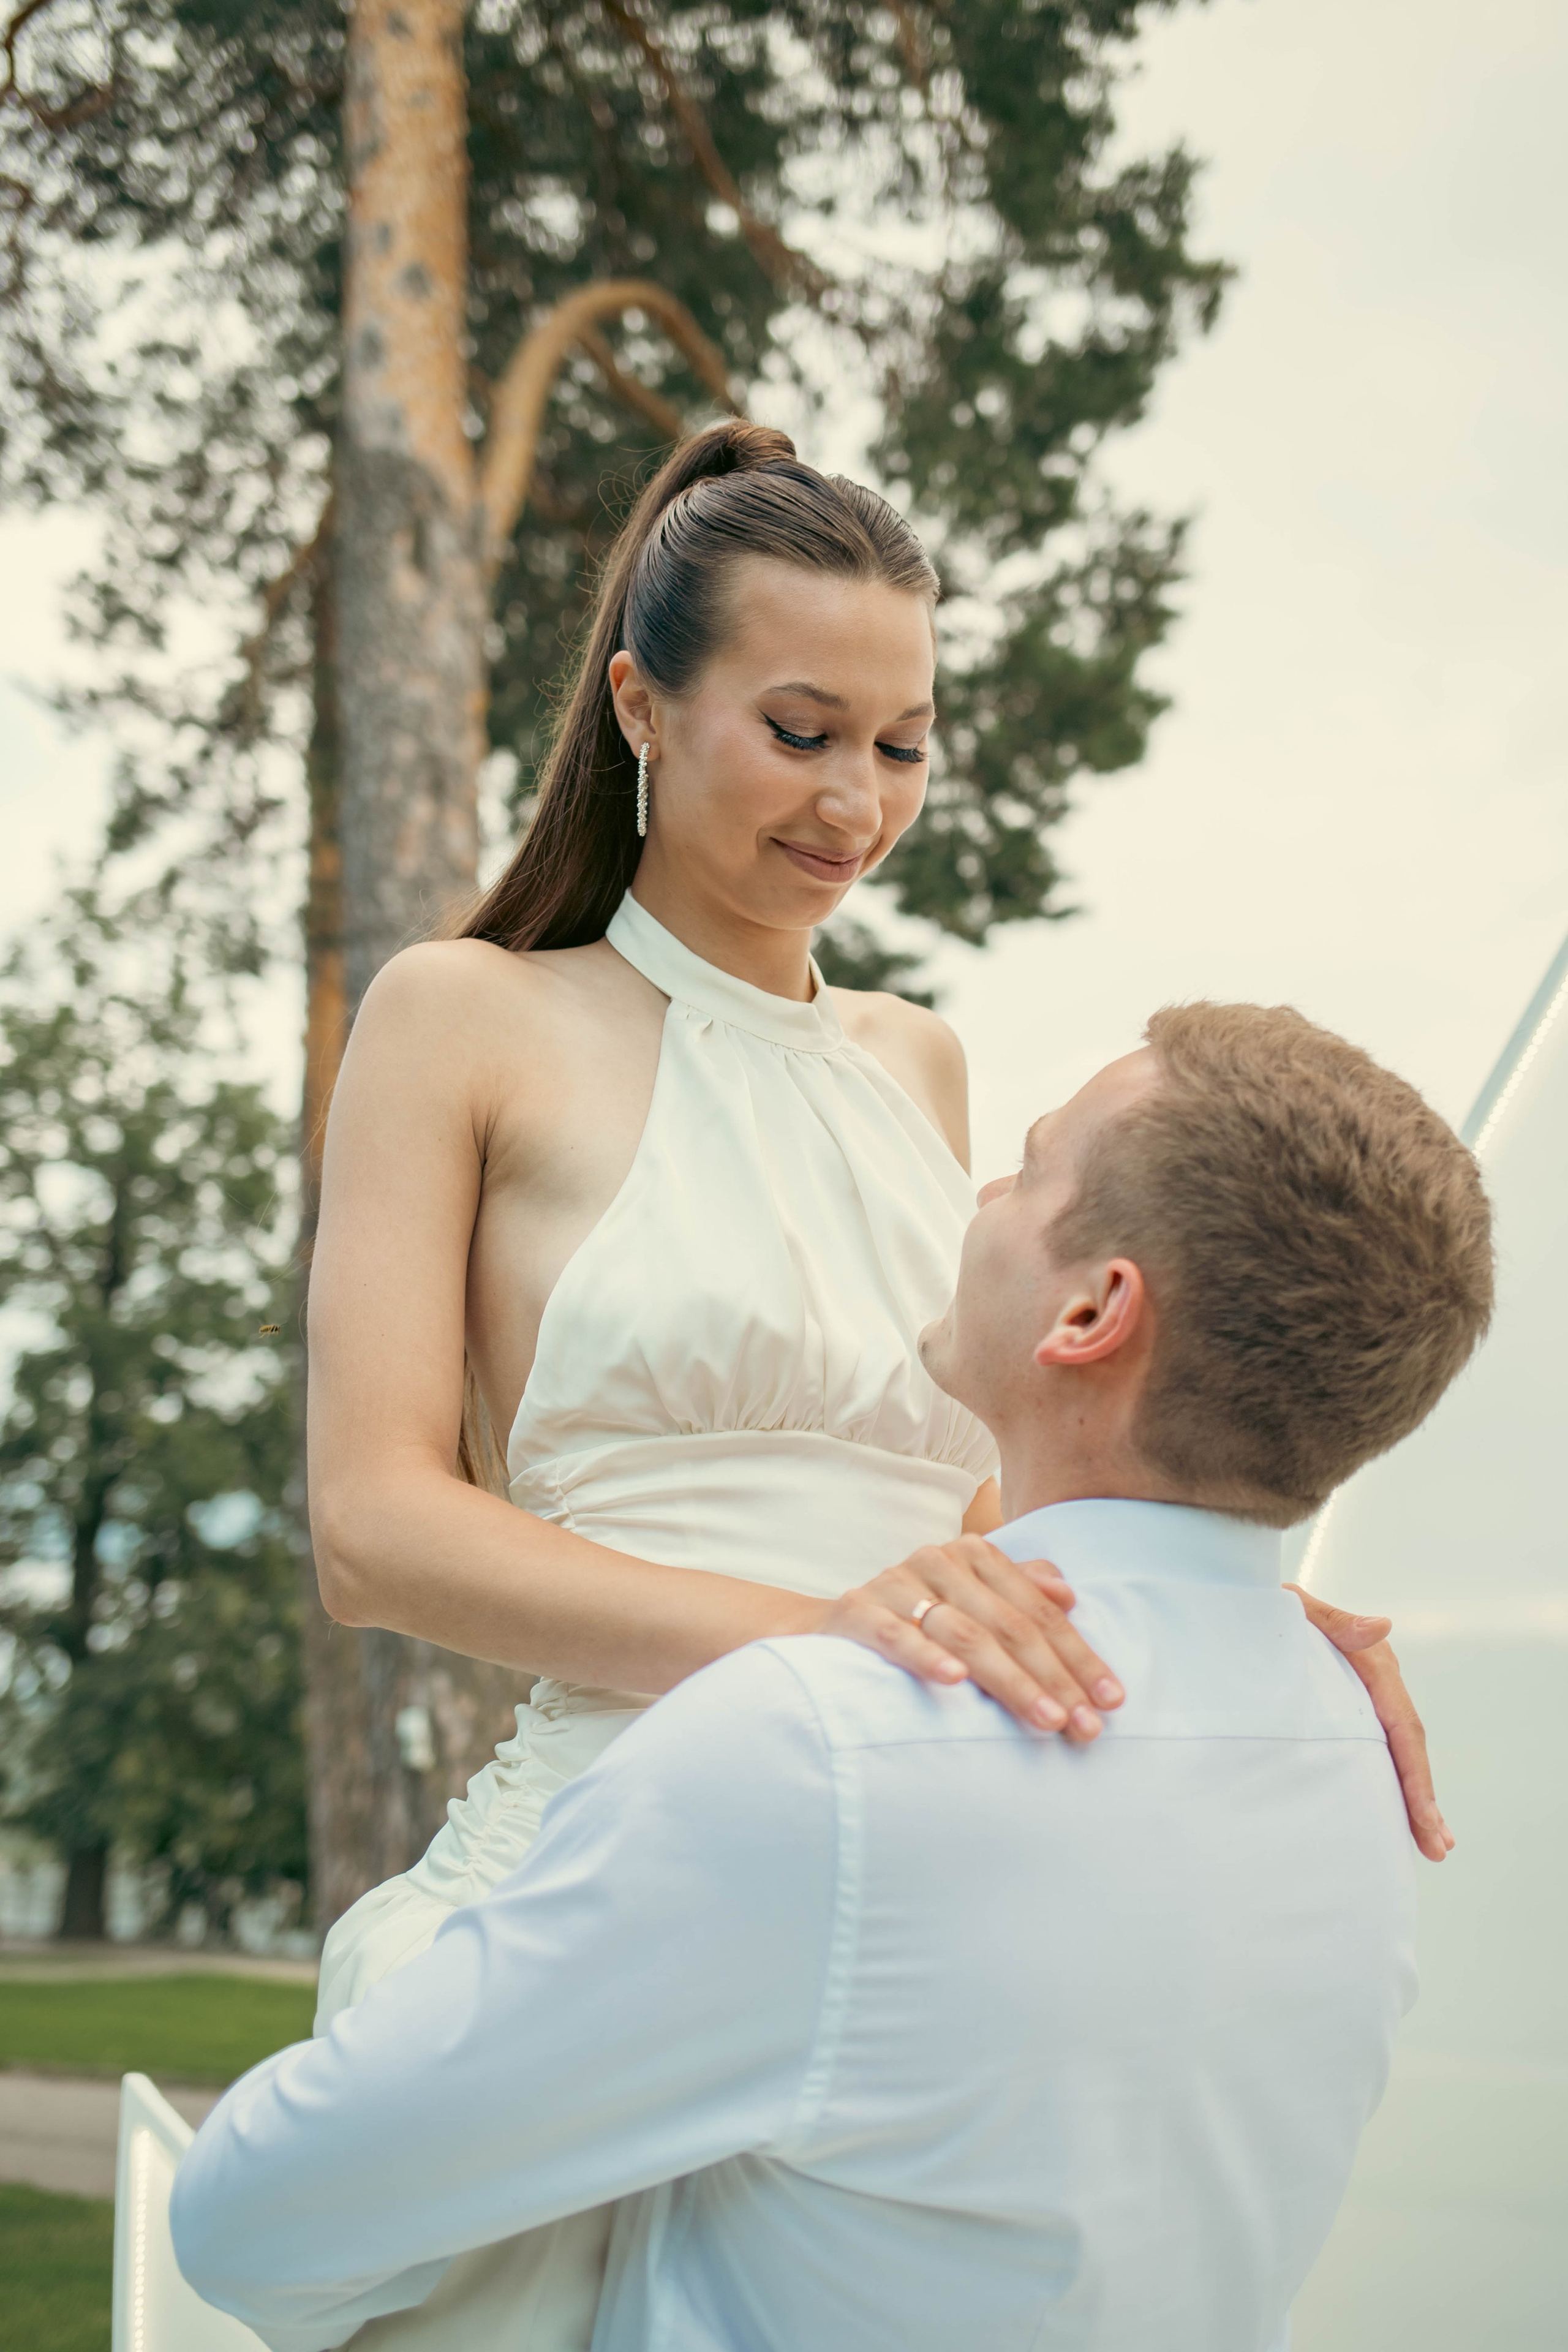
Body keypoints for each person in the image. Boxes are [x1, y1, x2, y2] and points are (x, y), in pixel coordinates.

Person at [303, 422, 1442, 2344]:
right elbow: (372, 1531)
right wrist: (824, 1645)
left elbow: (974, 1500)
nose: (859, 803)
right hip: (589, 1872)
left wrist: (1243, 1610)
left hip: (922, 1884)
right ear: (642, 706)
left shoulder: (918, 1061)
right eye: (804, 730)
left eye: (904, 744)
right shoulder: (461, 1016)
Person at [172, 1001, 1494, 2352]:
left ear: (1092, 1310)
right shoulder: (1358, 1757)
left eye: (1025, 1169)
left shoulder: (811, 1753)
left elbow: (244, 2219)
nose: (973, 1197)